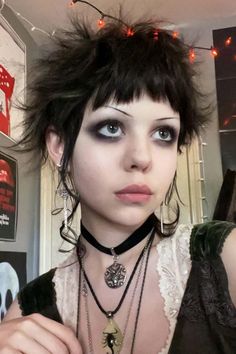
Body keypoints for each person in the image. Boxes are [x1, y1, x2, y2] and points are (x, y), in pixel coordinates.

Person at [0, 13, 236, 354]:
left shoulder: (221, 257)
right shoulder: (28, 307)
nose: (142, 157)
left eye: (163, 133)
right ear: (60, 146)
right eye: (111, 127)